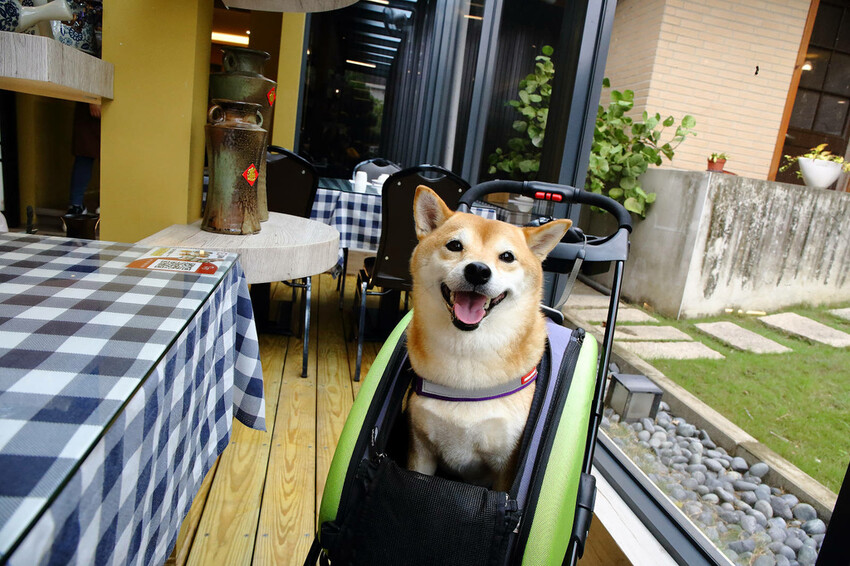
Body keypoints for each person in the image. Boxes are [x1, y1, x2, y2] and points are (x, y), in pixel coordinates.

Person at [67, 102, 101, 215]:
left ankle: (108, 202)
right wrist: (94, 99)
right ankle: (76, 206)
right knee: (84, 154)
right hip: (89, 101)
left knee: (110, 157)